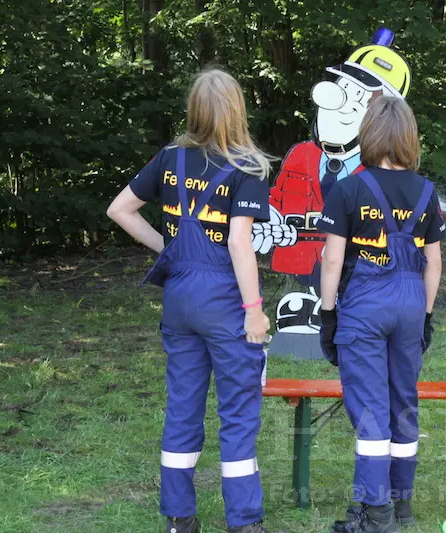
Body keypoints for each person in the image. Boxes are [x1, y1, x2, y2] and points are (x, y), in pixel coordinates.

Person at [106, 69, 281, 533]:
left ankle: (179, 518)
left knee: (183, 404)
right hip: (225, 298)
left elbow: (119, 209)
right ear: (238, 109)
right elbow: (241, 244)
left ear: (194, 110)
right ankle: (244, 522)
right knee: (238, 410)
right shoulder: (250, 167)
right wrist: (255, 309)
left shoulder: (169, 158)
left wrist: (169, 248)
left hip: (180, 296)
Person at [316, 96, 445, 533]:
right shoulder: (426, 191)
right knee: (402, 405)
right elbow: (435, 263)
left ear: (368, 133)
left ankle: (375, 515)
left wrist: (328, 315)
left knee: (370, 412)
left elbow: (332, 261)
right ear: (409, 137)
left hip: (365, 306)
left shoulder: (348, 188)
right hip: (410, 304)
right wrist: (425, 315)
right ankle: (401, 505)